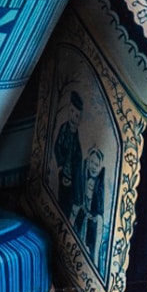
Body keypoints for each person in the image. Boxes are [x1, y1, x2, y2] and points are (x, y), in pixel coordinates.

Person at [53, 91, 84, 219]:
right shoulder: (64, 129)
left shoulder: (78, 138)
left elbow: (79, 163)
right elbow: (57, 146)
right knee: (61, 200)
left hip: (72, 178)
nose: (73, 116)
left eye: (77, 115)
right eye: (71, 111)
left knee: (68, 205)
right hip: (63, 174)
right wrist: (60, 165)